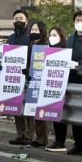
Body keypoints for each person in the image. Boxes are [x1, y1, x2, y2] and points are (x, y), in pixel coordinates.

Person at [46, 10, 82, 155]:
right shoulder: (70, 38)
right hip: (71, 79)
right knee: (75, 113)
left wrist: (78, 64)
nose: (79, 23)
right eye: (77, 20)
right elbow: (64, 54)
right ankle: (78, 143)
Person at [7, 9, 36, 145]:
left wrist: (29, 70)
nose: (18, 20)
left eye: (21, 18)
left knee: (28, 107)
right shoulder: (11, 38)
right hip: (13, 76)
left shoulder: (30, 38)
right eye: (16, 18)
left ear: (27, 21)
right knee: (15, 105)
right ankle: (20, 134)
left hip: (27, 76)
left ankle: (29, 135)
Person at [26, 21, 49, 148]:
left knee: (40, 111)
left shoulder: (44, 46)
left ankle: (42, 139)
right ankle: (38, 137)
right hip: (31, 79)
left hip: (40, 80)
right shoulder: (31, 44)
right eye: (32, 29)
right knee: (34, 111)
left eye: (36, 30)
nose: (34, 32)